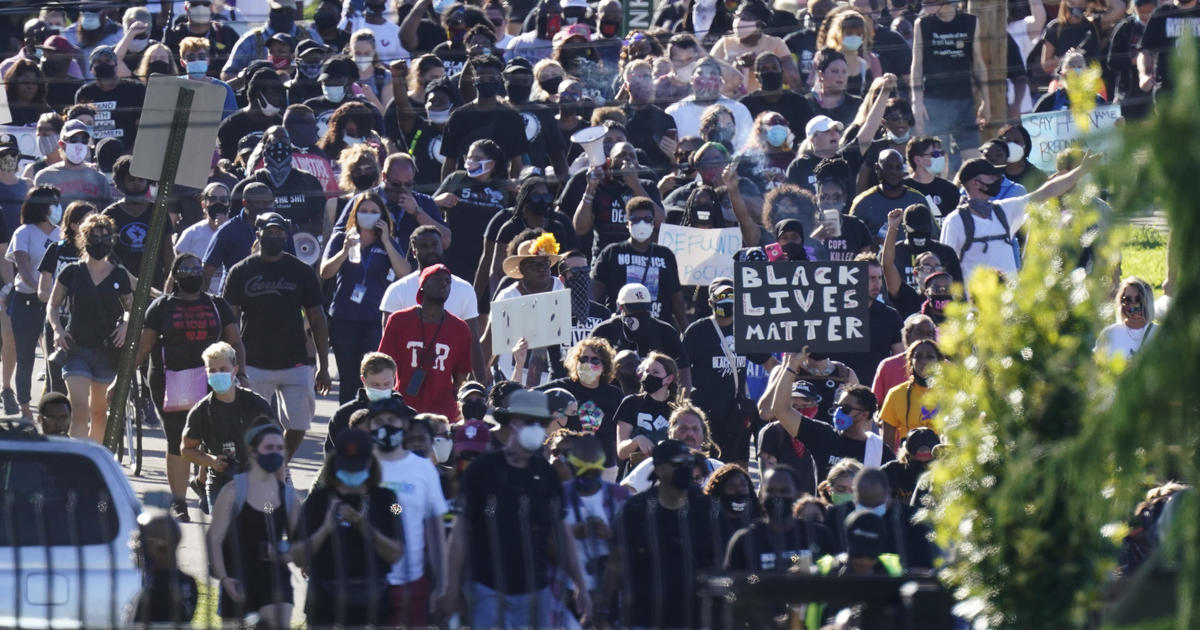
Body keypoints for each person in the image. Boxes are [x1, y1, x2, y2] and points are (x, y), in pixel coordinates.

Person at [441, 389, 592, 627]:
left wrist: (580, 585)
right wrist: (451, 588)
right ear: (511, 422)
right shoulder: (482, 470)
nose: (534, 427)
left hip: (536, 589)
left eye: (539, 422)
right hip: (487, 588)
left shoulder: (546, 474)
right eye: (527, 420)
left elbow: (562, 532)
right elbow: (460, 532)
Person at [134, 255, 245, 521]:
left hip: (212, 378)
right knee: (177, 438)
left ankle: (204, 480)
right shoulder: (160, 308)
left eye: (196, 268)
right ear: (175, 275)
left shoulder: (217, 305)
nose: (192, 273)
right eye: (185, 269)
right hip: (170, 380)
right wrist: (121, 378)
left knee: (216, 436)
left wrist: (243, 374)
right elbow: (144, 346)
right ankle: (179, 502)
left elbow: (235, 342)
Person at [223, 212, 332, 458]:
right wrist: (232, 364)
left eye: (279, 233)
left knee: (298, 424)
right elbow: (230, 321)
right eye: (270, 232)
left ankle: (280, 465)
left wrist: (323, 366)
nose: (275, 237)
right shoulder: (241, 271)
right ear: (258, 233)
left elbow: (318, 319)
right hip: (252, 362)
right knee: (250, 425)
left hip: (295, 361)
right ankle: (255, 469)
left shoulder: (301, 271)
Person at [602, 439, 720, 629]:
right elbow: (616, 561)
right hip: (645, 616)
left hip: (694, 616)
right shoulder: (636, 509)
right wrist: (604, 608)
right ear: (658, 469)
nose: (685, 469)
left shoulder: (707, 508)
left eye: (688, 464)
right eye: (677, 464)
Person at [295, 427, 404, 627]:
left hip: (372, 600)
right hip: (325, 601)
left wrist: (364, 525)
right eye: (347, 467)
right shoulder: (317, 500)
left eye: (357, 467)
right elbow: (298, 556)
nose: (352, 473)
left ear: (370, 463)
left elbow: (396, 553)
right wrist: (326, 527)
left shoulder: (389, 500)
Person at [359, 397, 448, 627]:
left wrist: (442, 584)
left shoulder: (424, 469)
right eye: (379, 421)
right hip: (365, 583)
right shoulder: (357, 466)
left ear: (404, 425)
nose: (386, 426)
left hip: (412, 582)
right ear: (369, 426)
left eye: (392, 420)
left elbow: (436, 532)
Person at [47, 214, 132, 442]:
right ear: (84, 239)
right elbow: (52, 306)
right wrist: (58, 329)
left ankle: (93, 460)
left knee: (99, 413)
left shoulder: (119, 274)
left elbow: (131, 309)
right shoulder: (72, 272)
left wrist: (125, 325)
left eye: (105, 237)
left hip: (107, 351)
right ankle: (78, 460)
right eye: (95, 237)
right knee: (80, 409)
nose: (101, 241)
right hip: (77, 349)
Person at [205, 424, 300, 628]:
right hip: (237, 581)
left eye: (279, 448)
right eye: (269, 448)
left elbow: (301, 545)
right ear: (253, 452)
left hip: (275, 582)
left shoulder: (289, 496)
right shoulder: (233, 491)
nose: (275, 453)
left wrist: (282, 552)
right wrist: (223, 578)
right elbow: (214, 538)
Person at [321, 191, 411, 404]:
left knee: (373, 376)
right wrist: (344, 251)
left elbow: (405, 273)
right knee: (349, 377)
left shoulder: (386, 242)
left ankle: (372, 421)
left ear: (381, 215)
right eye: (363, 211)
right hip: (344, 317)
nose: (368, 215)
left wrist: (387, 242)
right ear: (355, 213)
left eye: (373, 211)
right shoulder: (342, 238)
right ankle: (346, 424)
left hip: (374, 319)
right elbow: (325, 272)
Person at [942, 156, 1093, 281]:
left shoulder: (1004, 210)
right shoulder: (955, 221)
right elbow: (945, 265)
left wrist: (1080, 171)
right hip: (976, 308)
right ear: (975, 183)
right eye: (991, 176)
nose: (998, 179)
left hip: (1011, 306)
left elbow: (1047, 191)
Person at [181, 341, 278, 510]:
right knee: (227, 531)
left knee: (261, 528)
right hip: (220, 483)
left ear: (235, 370)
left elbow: (276, 449)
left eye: (223, 370)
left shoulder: (256, 404)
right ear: (206, 373)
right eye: (212, 370)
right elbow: (186, 449)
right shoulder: (201, 410)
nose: (218, 374)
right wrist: (211, 461)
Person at [767, 355, 894, 480]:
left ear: (864, 414)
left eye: (846, 409)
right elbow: (780, 409)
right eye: (837, 406)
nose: (838, 411)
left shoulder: (879, 450)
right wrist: (790, 366)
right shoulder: (823, 435)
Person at [682, 278, 766, 464]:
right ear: (710, 302)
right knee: (705, 463)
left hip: (735, 411)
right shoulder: (697, 331)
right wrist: (684, 403)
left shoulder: (745, 329)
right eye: (721, 297)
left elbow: (770, 362)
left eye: (730, 296)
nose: (726, 301)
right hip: (704, 410)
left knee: (738, 464)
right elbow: (683, 368)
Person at [378, 264, 474, 420]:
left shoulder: (460, 328)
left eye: (447, 281)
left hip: (443, 413)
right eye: (437, 279)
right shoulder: (398, 321)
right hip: (403, 407)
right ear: (422, 286)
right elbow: (383, 365)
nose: (444, 283)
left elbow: (461, 378)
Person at [911, 0, 990, 170]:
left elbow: (978, 63)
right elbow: (916, 66)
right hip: (934, 102)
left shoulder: (970, 21)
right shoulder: (923, 23)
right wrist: (916, 102)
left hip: (965, 102)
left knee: (973, 159)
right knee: (939, 161)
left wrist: (986, 102)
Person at [559, 433, 631, 613]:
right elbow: (544, 543)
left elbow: (636, 542)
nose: (589, 478)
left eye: (594, 472)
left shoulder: (620, 496)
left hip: (610, 587)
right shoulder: (558, 496)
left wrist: (611, 535)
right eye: (584, 472)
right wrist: (570, 534)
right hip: (565, 588)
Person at [5, 186, 59, 419]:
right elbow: (23, 267)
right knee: (25, 355)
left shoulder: (61, 233)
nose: (57, 207)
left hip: (56, 301)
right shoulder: (24, 232)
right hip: (27, 300)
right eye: (53, 203)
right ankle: (25, 407)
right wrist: (40, 288)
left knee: (56, 357)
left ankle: (53, 407)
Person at [592, 197, 686, 328]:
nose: (641, 223)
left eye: (647, 219)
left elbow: (676, 297)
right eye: (635, 219)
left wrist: (685, 330)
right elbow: (594, 293)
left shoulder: (665, 255)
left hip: (658, 329)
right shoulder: (612, 253)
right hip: (621, 329)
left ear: (653, 223)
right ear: (627, 223)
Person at [724, 464, 837, 572]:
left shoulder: (820, 535)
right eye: (771, 491)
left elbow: (833, 575)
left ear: (797, 495)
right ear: (762, 495)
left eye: (784, 491)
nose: (777, 497)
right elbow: (734, 584)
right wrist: (761, 580)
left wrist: (811, 572)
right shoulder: (745, 540)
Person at [825, 467, 936, 570]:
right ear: (855, 494)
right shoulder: (836, 515)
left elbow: (923, 565)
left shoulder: (912, 518)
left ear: (888, 493)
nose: (870, 509)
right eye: (864, 504)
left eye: (875, 504)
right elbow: (826, 559)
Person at [434, 139, 513, 282]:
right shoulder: (456, 179)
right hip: (453, 256)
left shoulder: (504, 189)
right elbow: (428, 207)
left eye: (477, 158)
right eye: (469, 157)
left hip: (486, 260)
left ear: (492, 163)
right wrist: (439, 201)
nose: (470, 162)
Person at [441, 54, 529, 179]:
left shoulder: (512, 117)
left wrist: (514, 193)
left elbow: (517, 164)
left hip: (499, 190)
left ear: (500, 79)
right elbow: (449, 162)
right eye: (481, 78)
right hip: (464, 190)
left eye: (492, 78)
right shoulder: (458, 116)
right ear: (473, 80)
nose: (487, 81)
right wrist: (445, 192)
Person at [38, 201, 95, 396]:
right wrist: (62, 297)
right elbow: (42, 291)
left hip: (88, 324)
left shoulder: (98, 252)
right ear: (74, 225)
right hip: (58, 322)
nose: (95, 224)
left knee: (86, 383)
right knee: (58, 386)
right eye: (89, 220)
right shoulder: (57, 249)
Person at [202, 182, 294, 288]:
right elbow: (207, 272)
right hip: (235, 298)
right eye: (261, 203)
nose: (267, 207)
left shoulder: (282, 228)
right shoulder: (228, 231)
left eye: (270, 203)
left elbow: (293, 268)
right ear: (245, 203)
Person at [242, 126, 328, 238]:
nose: (280, 145)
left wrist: (295, 228)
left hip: (299, 246)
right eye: (274, 140)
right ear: (264, 148)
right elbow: (237, 224)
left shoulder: (308, 181)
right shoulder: (248, 185)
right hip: (259, 245)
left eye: (285, 141)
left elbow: (323, 224)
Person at [103, 155, 174, 288]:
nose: (136, 184)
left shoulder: (159, 213)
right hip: (120, 284)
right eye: (131, 180)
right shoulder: (110, 214)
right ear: (121, 182)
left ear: (148, 182)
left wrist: (170, 282)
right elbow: (104, 254)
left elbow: (168, 250)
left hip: (154, 284)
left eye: (141, 180)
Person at [621, 404, 724, 492]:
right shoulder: (653, 465)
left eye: (695, 429)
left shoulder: (717, 469)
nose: (689, 433)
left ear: (704, 433)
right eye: (683, 428)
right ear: (670, 433)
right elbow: (622, 498)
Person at [590, 283, 688, 370]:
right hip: (616, 388)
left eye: (643, 310)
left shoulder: (666, 331)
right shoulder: (604, 331)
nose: (639, 315)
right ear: (621, 307)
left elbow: (683, 370)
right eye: (634, 310)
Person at [709, 1, 799, 93]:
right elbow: (709, 67)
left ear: (760, 24)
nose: (738, 21)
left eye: (745, 18)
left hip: (762, 99)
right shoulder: (725, 42)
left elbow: (793, 78)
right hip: (731, 100)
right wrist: (735, 65)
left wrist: (760, 64)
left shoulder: (775, 43)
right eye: (737, 16)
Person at [325, 352, 407, 454]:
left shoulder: (408, 415)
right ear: (363, 380)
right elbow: (332, 456)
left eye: (387, 384)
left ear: (394, 379)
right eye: (375, 384)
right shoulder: (344, 415)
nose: (382, 389)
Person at [665, 58, 755, 149]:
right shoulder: (673, 112)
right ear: (691, 80)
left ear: (720, 81)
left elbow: (747, 146)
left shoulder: (739, 110)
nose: (706, 79)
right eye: (700, 74)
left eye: (712, 74)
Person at [614, 351, 682, 470]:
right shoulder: (631, 403)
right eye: (646, 371)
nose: (648, 376)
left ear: (669, 379)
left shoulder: (678, 410)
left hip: (668, 474)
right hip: (636, 473)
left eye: (655, 372)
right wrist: (637, 440)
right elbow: (621, 452)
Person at [756, 379, 823, 495]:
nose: (800, 411)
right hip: (781, 501)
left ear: (815, 406)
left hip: (811, 503)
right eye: (795, 406)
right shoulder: (773, 432)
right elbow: (768, 478)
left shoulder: (822, 432)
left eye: (805, 405)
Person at [130, 512, 198, 625]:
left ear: (160, 547)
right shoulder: (188, 582)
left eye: (142, 543)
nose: (137, 548)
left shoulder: (153, 587)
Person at [74, 46, 147, 144]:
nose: (103, 64)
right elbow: (80, 128)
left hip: (129, 153)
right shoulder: (84, 93)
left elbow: (142, 127)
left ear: (116, 65)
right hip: (94, 154)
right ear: (91, 68)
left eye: (108, 60)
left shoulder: (135, 89)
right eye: (98, 61)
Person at [878, 340, 943, 449]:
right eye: (918, 356)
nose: (924, 361)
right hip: (908, 459)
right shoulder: (896, 394)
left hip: (942, 460)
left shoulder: (951, 393)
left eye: (930, 357)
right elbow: (887, 443)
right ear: (910, 362)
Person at [32, 119, 112, 208]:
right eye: (74, 140)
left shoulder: (99, 179)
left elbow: (106, 217)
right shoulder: (44, 177)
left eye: (84, 140)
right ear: (62, 144)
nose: (79, 145)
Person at [850, 150, 928, 240]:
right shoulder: (862, 203)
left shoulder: (918, 200)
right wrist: (871, 244)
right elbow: (852, 240)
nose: (893, 172)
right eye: (888, 167)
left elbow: (933, 236)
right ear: (877, 168)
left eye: (898, 167)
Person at [175, 184, 232, 294]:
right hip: (199, 299)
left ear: (229, 204)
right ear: (203, 205)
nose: (218, 203)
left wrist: (227, 228)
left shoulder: (237, 231)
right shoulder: (191, 234)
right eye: (213, 199)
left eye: (223, 199)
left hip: (228, 299)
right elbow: (175, 275)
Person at [163, 0, 240, 78]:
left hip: (218, 88)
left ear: (212, 7)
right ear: (186, 8)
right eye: (195, 4)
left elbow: (241, 65)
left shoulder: (226, 33)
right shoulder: (173, 35)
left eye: (205, 4)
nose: (200, 8)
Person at [872, 313, 938, 404]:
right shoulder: (888, 366)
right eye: (920, 333)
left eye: (929, 334)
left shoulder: (946, 367)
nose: (925, 338)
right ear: (907, 336)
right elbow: (876, 404)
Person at [1096, 277, 1158, 359]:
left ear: (1147, 301)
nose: (1133, 304)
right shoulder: (1109, 334)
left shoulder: (1160, 333)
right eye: (1127, 300)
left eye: (1138, 299)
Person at [704, 463, 763, 545]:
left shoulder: (759, 521)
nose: (739, 489)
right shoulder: (708, 524)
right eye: (732, 486)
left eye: (744, 485)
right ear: (720, 491)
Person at [881, 426, 939, 504]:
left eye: (927, 463)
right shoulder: (892, 470)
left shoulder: (942, 475)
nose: (921, 467)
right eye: (917, 462)